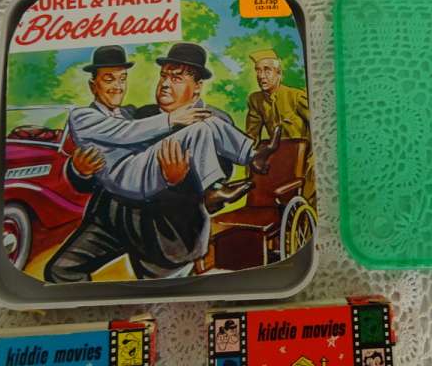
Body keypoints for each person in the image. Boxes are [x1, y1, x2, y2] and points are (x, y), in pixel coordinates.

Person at [44, 44, 279, 282]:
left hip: (165, 235)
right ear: (93, 85)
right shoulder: (137, 115)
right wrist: (79, 171)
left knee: (163, 294)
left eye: (176, 78)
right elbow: (113, 147)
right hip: (111, 220)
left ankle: (248, 158)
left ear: (197, 86)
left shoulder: (216, 120)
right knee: (61, 270)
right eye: (163, 76)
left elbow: (217, 176)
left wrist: (178, 181)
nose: (165, 84)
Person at [245, 49, 310, 143]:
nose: (261, 76)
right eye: (258, 71)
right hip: (276, 150)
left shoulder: (296, 96)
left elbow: (317, 125)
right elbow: (251, 136)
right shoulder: (255, 100)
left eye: (267, 70)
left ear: (278, 73)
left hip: (300, 149)